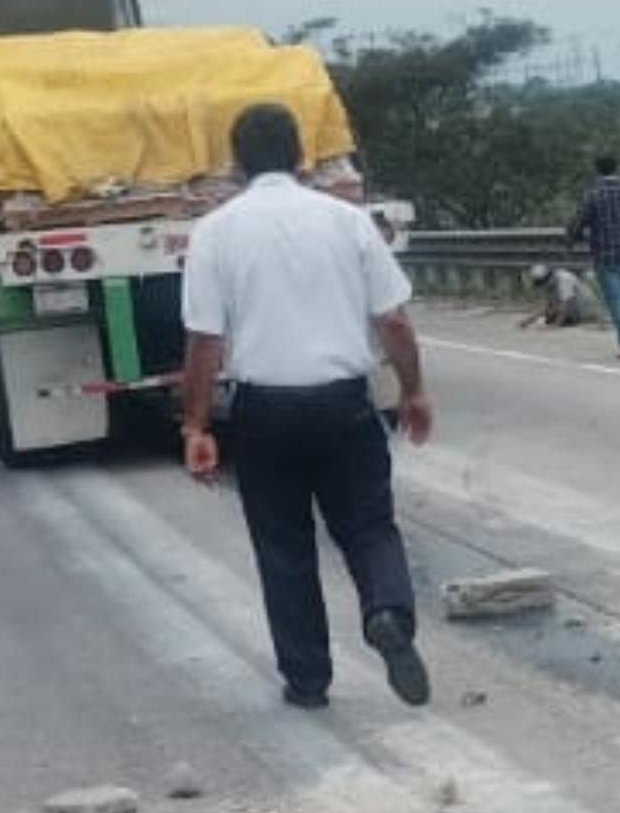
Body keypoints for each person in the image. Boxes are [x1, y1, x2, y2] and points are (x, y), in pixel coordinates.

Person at [180, 102, 437, 711]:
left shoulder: (215, 232)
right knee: (369, 527)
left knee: (284, 548)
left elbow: (204, 342)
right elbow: (393, 321)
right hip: (344, 404)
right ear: (300, 155)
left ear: (236, 162)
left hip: (265, 412)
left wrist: (195, 423)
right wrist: (413, 390)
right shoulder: (346, 221)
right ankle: (388, 612)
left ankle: (308, 680)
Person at [565, 154, 620, 358]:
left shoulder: (593, 195)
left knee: (615, 302)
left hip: (605, 256)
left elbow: (579, 223)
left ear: (597, 170)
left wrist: (571, 241)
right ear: (617, 168)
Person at [518, 262, 598, 330]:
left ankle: (566, 321)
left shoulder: (564, 279)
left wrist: (556, 325)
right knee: (547, 317)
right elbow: (549, 308)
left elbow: (566, 304)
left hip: (583, 312)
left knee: (549, 319)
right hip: (574, 310)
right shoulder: (552, 283)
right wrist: (529, 320)